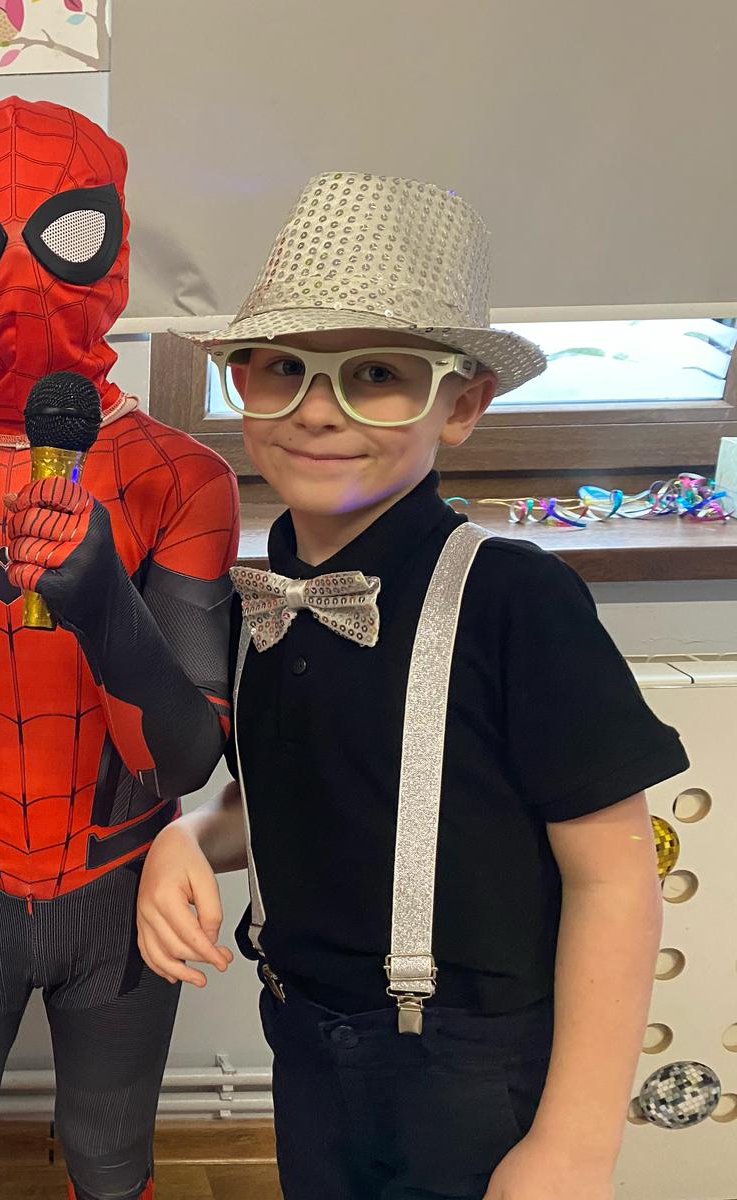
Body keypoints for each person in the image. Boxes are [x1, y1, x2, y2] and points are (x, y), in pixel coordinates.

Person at [136, 172, 688, 1200]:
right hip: (301, 1035)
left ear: (462, 404)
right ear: (242, 384)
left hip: (470, 1069)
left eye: (377, 375)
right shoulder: (264, 592)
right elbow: (285, 795)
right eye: (283, 369)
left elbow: (615, 881)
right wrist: (190, 836)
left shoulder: (517, 602)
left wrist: (575, 1144)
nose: (318, 412)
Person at [0, 97, 240, 1200]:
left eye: (63, 235)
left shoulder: (180, 479)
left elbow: (184, 756)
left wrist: (102, 600)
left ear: (111, 240)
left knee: (113, 1158)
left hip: (119, 886)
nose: (21, 279)